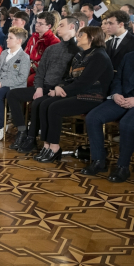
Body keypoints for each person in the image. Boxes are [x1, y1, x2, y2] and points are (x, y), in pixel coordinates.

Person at [33, 26, 113, 163]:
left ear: (91, 38)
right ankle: (46, 145)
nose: (78, 36)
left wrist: (63, 91)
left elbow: (84, 83)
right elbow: (70, 77)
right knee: (44, 103)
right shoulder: (81, 54)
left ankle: (54, 147)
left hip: (93, 96)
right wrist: (59, 86)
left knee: (54, 108)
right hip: (77, 92)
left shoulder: (99, 56)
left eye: (81, 34)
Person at [7, 16, 82, 153]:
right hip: (44, 87)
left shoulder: (78, 50)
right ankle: (22, 131)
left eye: (61, 25)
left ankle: (32, 138)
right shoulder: (52, 49)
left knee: (38, 103)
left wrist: (57, 88)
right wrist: (39, 87)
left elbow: (71, 76)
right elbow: (40, 71)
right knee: (13, 94)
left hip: (59, 90)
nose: (57, 28)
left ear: (71, 27)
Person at [84, 51, 134, 182]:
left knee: (127, 124)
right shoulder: (128, 56)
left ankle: (123, 167)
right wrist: (116, 94)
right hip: (121, 98)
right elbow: (117, 78)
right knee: (93, 118)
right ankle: (99, 161)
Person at [24, 11, 60, 86]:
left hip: (41, 72)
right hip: (28, 67)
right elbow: (25, 54)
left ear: (49, 26)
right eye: (36, 22)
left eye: (40, 24)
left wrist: (29, 69)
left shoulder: (54, 41)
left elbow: (48, 64)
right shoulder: (33, 37)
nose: (36, 25)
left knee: (28, 80)